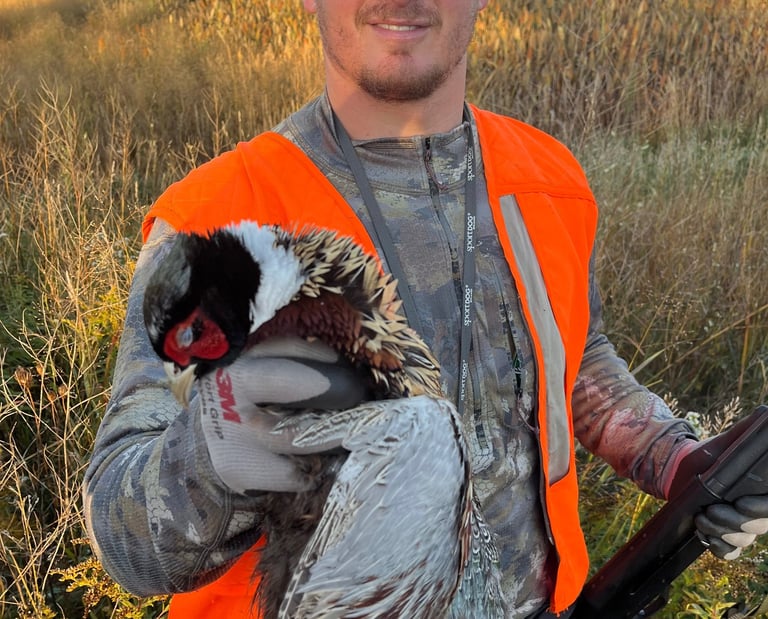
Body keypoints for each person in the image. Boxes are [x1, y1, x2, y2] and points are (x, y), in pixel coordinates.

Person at [83, 1, 768, 617]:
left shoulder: (551, 181)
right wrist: (234, 438)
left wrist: (681, 463)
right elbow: (124, 534)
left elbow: (576, 358)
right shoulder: (213, 228)